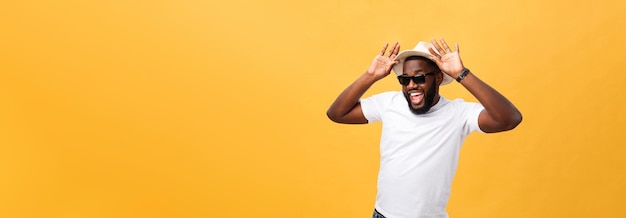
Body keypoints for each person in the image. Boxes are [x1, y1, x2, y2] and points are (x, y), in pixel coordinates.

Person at [326, 38, 522, 218]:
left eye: (419, 78)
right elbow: (337, 114)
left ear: (437, 78)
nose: (411, 85)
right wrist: (370, 76)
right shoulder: (389, 103)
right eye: (404, 80)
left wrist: (462, 74)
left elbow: (509, 119)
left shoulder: (458, 113)